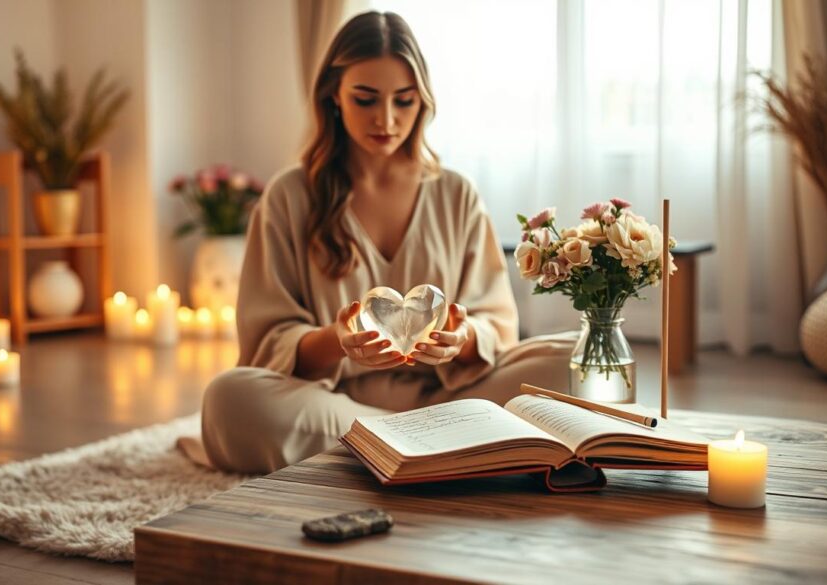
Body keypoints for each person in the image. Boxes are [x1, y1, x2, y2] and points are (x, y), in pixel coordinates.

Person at [181, 11, 575, 474]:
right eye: (365, 99)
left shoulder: (456, 194)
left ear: (422, 101)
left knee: (579, 360)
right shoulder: (289, 196)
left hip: (453, 399)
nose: (386, 120)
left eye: (403, 101)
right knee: (229, 400)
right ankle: (443, 448)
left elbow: (497, 326)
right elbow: (268, 341)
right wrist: (338, 341)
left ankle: (379, 451)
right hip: (335, 407)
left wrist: (461, 338)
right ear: (333, 95)